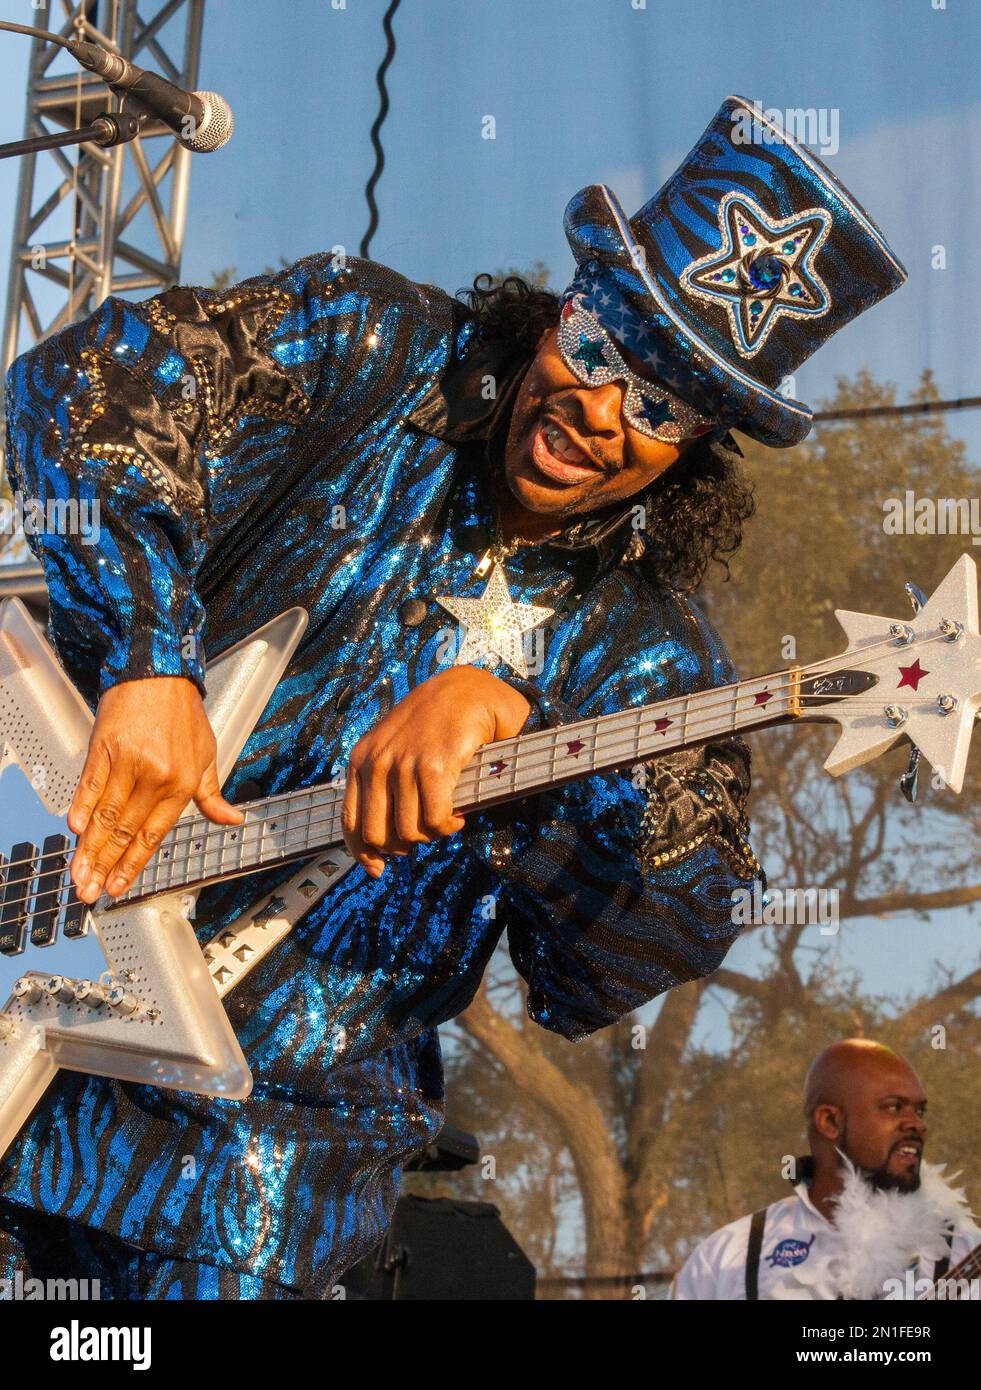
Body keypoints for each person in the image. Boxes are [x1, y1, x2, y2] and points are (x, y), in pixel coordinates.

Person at [0, 95, 906, 1298]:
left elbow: (638, 946)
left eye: (661, 404)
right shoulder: (367, 344)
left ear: (699, 446)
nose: (599, 409)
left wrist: (529, 736)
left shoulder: (655, 662)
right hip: (24, 1038)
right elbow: (83, 388)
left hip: (251, 1182)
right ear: (558, 309)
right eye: (597, 347)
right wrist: (148, 659)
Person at [671, 1039, 979, 1300]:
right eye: (894, 1107)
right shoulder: (729, 1255)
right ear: (829, 1122)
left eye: (919, 1110)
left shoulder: (962, 1247)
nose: (917, 1124)